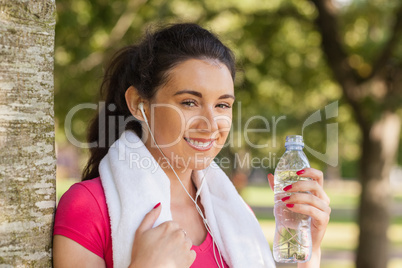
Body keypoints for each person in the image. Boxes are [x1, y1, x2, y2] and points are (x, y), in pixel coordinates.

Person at [53, 23, 331, 268]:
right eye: (189, 102)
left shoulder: (234, 211)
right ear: (139, 104)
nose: (210, 124)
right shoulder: (88, 207)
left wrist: (308, 251)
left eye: (222, 105)